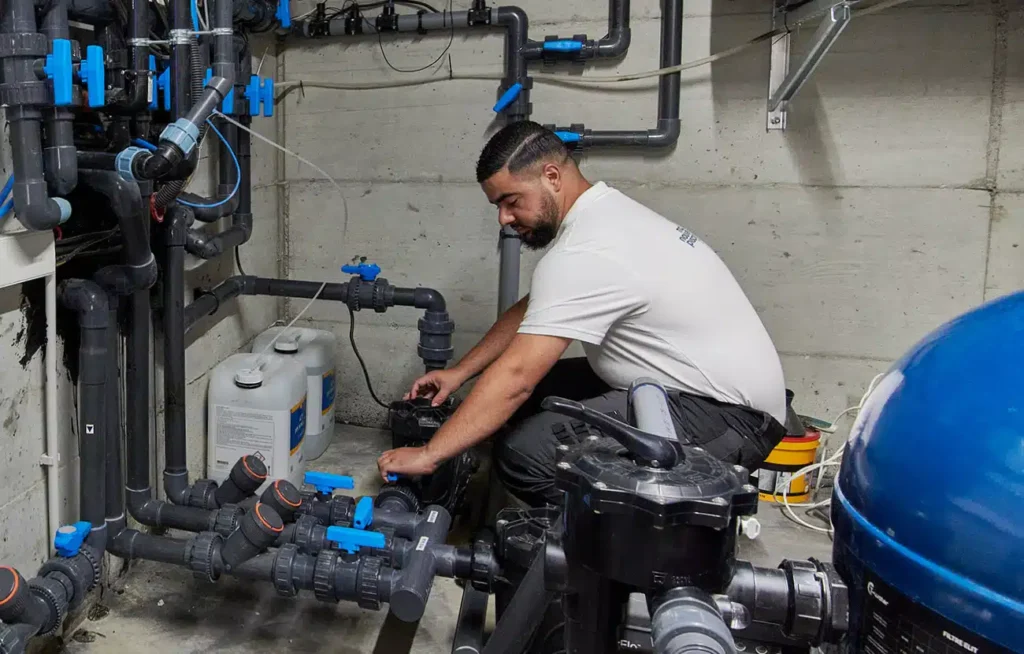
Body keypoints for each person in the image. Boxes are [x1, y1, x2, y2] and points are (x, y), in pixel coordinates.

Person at [377, 121, 788, 508]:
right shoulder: (603, 217)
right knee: (532, 399)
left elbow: (516, 378)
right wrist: (460, 372)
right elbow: (533, 309)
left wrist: (430, 454)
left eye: (510, 201)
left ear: (552, 176)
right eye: (497, 205)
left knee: (525, 457)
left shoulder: (587, 250)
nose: (503, 218)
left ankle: (618, 552)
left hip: (730, 420)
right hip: (686, 389)